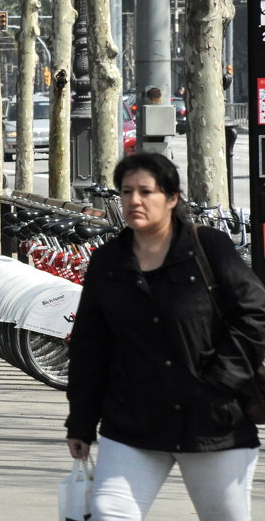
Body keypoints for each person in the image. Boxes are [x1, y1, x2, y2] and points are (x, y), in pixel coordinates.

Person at [66, 153, 265, 521]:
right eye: (126, 192)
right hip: (132, 423)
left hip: (212, 425)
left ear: (172, 198)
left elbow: (254, 316)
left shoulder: (208, 247)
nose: (134, 201)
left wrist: (221, 383)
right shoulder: (108, 262)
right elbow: (89, 345)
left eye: (146, 191)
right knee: (110, 513)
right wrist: (81, 420)